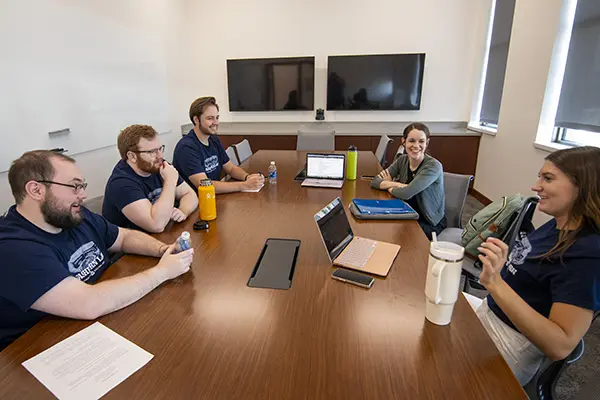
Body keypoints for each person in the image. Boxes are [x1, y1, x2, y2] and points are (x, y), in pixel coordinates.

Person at [0, 150, 194, 351]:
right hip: (39, 349)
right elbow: (88, 303)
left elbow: (124, 237)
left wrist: (163, 250)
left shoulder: (73, 215)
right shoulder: (13, 248)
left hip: (101, 321)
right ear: (36, 190)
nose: (83, 195)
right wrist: (162, 272)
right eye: (75, 186)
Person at [475, 146, 600, 385]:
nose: (536, 186)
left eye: (548, 179)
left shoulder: (588, 256)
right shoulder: (557, 225)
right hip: (490, 312)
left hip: (509, 345)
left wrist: (495, 283)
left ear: (582, 187)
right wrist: (499, 268)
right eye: (540, 176)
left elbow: (560, 345)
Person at [102, 124, 198, 233]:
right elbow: (156, 225)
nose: (160, 156)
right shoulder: (121, 184)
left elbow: (190, 194)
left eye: (160, 149)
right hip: (134, 246)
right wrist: (170, 181)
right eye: (151, 152)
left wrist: (183, 211)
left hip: (165, 234)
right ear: (132, 156)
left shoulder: (157, 165)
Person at [173, 97, 264, 193]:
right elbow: (205, 185)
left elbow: (231, 168)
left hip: (215, 199)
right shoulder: (186, 148)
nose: (216, 122)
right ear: (196, 120)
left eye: (217, 117)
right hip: (198, 204)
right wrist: (244, 185)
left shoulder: (213, 139)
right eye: (210, 118)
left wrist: (247, 177)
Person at [371, 122, 446, 239]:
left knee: (394, 235)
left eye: (421, 141)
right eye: (411, 141)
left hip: (428, 222)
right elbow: (375, 181)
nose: (416, 145)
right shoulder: (403, 160)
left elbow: (406, 193)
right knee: (377, 226)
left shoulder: (433, 166)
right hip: (406, 212)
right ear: (403, 141)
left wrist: (391, 186)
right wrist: (398, 184)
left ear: (427, 143)